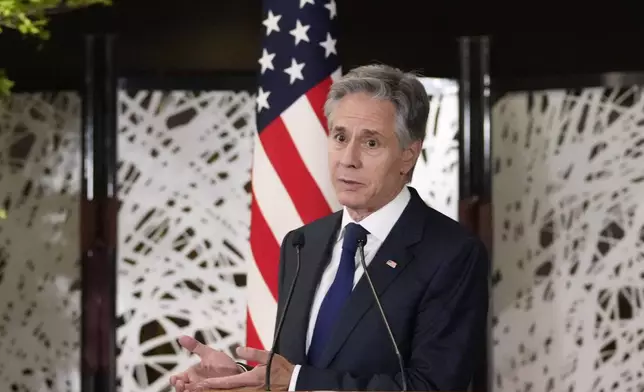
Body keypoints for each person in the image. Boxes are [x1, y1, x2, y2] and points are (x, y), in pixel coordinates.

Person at [170, 64, 490, 392]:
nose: (347, 159)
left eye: (371, 143)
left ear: (408, 155)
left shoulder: (451, 253)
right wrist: (241, 378)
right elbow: (294, 370)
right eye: (339, 137)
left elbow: (433, 387)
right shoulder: (302, 243)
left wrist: (296, 381)